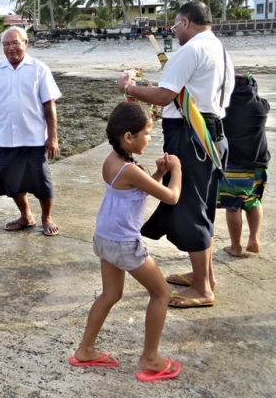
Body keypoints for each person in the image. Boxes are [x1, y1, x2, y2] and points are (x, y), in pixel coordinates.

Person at [118, 1, 234, 308]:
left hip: (190, 136)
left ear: (185, 23)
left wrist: (129, 88)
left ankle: (203, 290)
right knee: (203, 207)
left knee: (189, 209)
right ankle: (204, 277)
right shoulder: (219, 50)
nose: (174, 32)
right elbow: (182, 94)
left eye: (174, 27)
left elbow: (164, 96)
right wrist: (148, 88)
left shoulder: (191, 50)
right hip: (211, 134)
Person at [70, 102, 182, 383]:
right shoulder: (129, 169)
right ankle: (151, 358)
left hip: (105, 239)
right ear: (129, 137)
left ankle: (85, 350)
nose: (150, 138)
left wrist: (157, 173)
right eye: (147, 133)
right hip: (124, 244)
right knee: (162, 294)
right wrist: (176, 170)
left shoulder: (113, 160)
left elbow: (138, 189)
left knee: (110, 295)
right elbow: (170, 197)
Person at [0, 26, 62, 235]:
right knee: (12, 182)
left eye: (15, 43)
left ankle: (47, 217)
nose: (11, 48)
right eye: (6, 44)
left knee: (42, 181)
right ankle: (26, 216)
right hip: (5, 139)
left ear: (25, 43)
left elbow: (49, 106)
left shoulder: (39, 69)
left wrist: (52, 137)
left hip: (34, 137)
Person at [218, 74, 270, 256]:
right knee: (254, 200)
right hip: (258, 162)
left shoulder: (224, 108)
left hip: (233, 164)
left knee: (233, 205)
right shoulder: (261, 107)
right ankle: (254, 238)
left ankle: (236, 246)